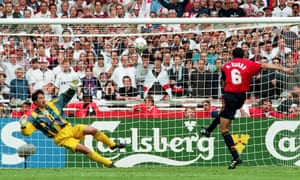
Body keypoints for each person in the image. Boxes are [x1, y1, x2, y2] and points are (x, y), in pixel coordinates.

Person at [199, 47, 293, 169]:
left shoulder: (226, 66)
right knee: (223, 113)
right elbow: (265, 65)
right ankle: (208, 130)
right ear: (243, 55)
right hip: (241, 97)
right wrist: (283, 68)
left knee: (224, 129)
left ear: (232, 55)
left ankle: (235, 157)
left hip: (230, 96)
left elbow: (223, 81)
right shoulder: (249, 64)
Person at [19, 80, 125, 168]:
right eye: (40, 98)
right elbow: (27, 132)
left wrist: (72, 88)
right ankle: (109, 164)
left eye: (43, 97)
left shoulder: (52, 104)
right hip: (61, 137)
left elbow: (64, 97)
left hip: (70, 128)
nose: (43, 100)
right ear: (35, 102)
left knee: (92, 130)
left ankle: (112, 145)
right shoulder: (34, 117)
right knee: (85, 149)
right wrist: (23, 126)